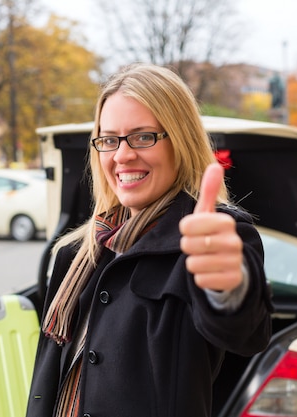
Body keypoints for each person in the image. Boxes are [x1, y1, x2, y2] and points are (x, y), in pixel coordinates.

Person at [25, 63, 273, 417]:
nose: (123, 155)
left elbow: (246, 332)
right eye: (109, 139)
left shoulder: (208, 234)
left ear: (180, 139)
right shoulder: (75, 253)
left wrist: (229, 286)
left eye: (143, 136)